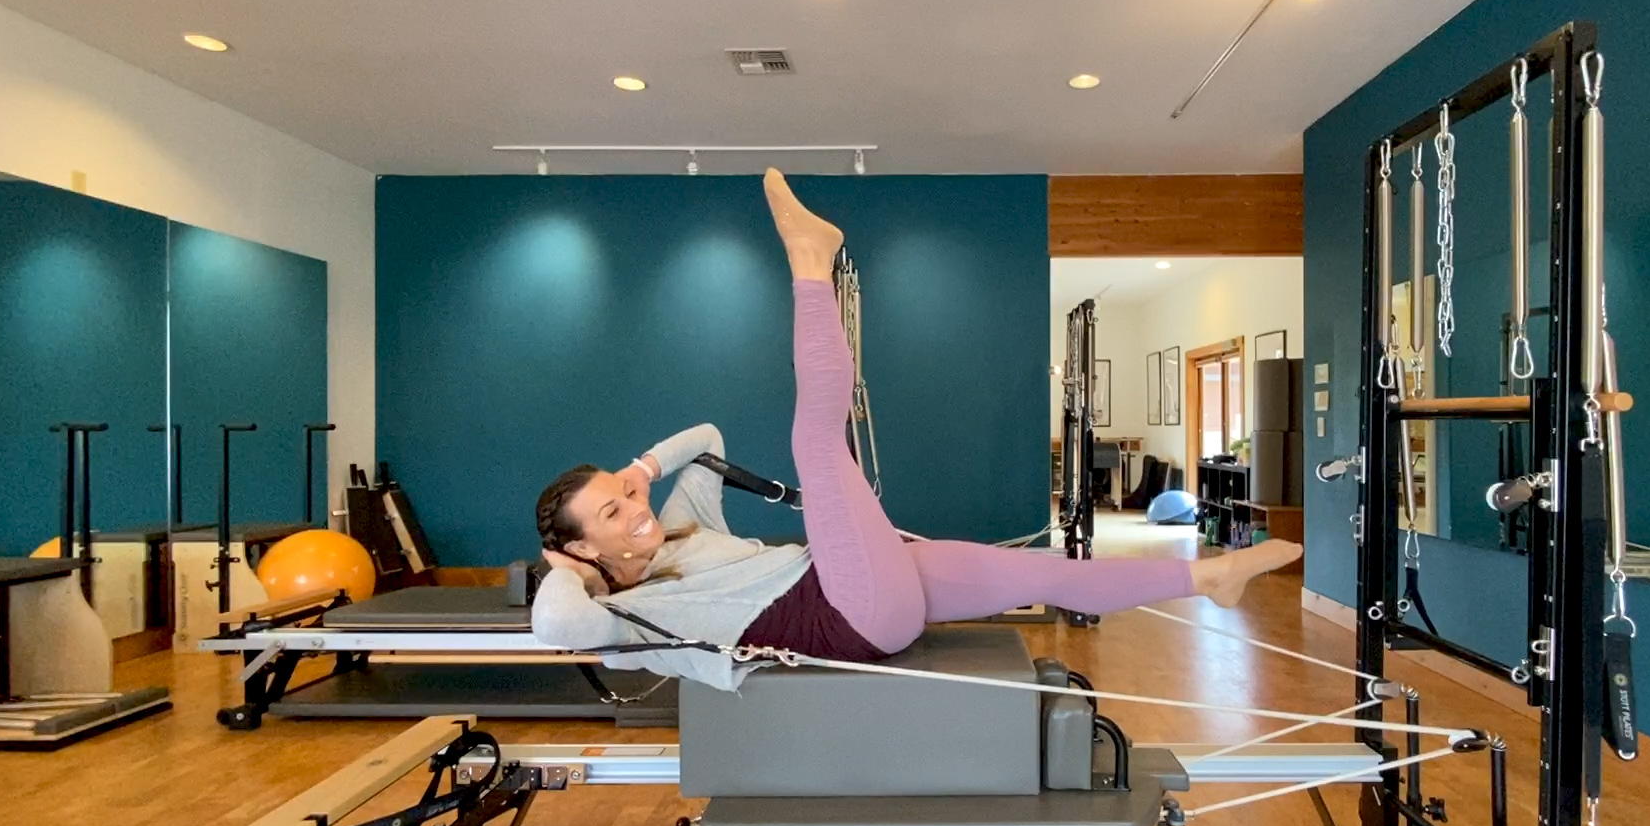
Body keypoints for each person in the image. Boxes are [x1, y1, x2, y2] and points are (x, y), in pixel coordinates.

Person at [532, 170, 1303, 690]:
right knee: (816, 440)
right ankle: (810, 261)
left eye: (624, 493)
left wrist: (642, 467)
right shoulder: (618, 618)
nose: (634, 507)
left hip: (855, 578)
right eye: (611, 513)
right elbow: (554, 623)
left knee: (1042, 574)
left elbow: (705, 439)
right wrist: (568, 567)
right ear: (582, 547)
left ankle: (1209, 579)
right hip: (850, 615)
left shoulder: (676, 525)